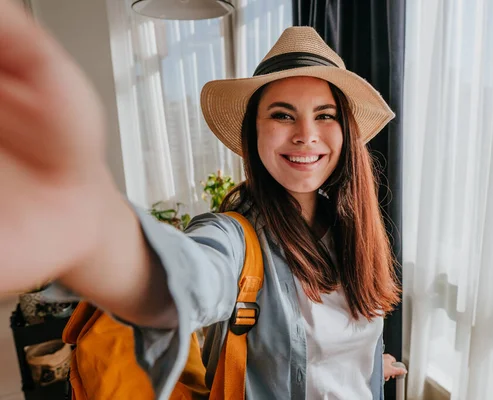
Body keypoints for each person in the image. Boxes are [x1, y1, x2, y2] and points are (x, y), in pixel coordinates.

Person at [0, 1, 405, 398]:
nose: (306, 134)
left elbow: (340, 341)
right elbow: (188, 281)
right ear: (253, 135)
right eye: (282, 115)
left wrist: (366, 363)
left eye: (325, 115)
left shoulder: (354, 229)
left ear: (345, 132)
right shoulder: (230, 236)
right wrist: (92, 230)